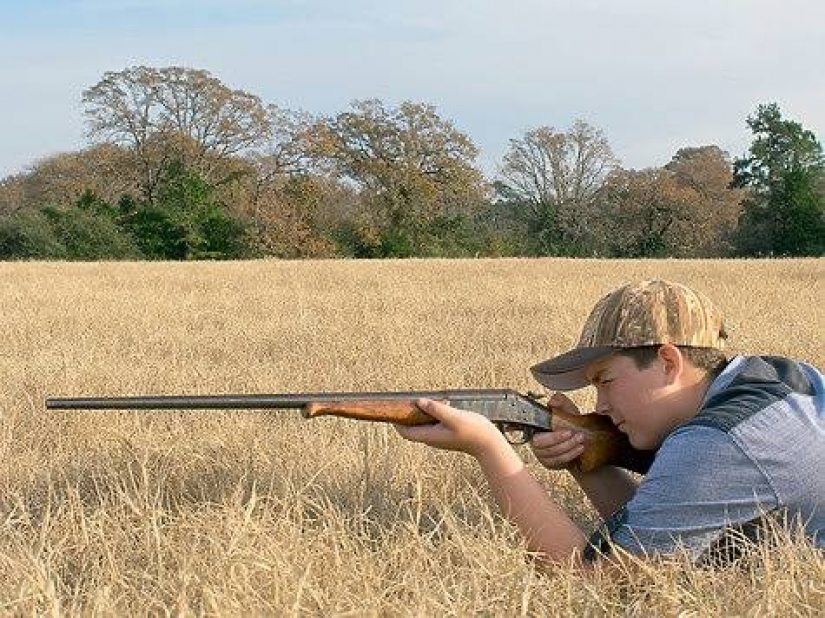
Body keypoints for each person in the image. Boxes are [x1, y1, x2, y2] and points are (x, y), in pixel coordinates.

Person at [396, 279, 824, 567]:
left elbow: (595, 584)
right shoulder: (775, 376)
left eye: (606, 380)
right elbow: (661, 529)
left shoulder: (718, 443)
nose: (598, 406)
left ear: (668, 361)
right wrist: (587, 459)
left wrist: (489, 448)